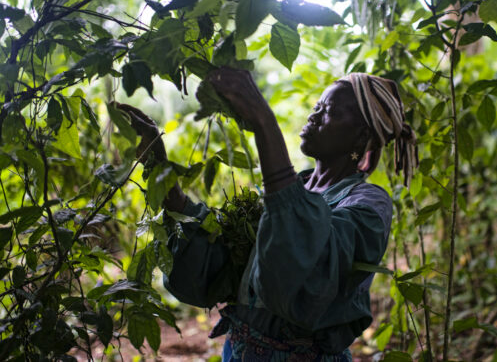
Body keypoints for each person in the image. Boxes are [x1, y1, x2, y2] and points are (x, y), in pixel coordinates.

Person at [119, 68, 418, 361]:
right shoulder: (288, 192)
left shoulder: (368, 204)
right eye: (317, 106)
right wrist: (160, 166)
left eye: (330, 111)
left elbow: (299, 262)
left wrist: (264, 123)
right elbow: (223, 264)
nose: (314, 115)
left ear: (360, 135)